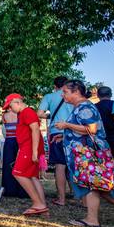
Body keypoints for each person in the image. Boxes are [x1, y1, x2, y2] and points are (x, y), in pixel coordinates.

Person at [56, 80, 114, 227]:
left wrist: (66, 125)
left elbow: (92, 128)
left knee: (91, 184)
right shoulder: (82, 106)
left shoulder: (84, 106)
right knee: (96, 184)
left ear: (76, 91)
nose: (62, 95)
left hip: (88, 154)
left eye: (65, 92)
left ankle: (92, 219)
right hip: (86, 153)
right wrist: (65, 134)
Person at [4, 94, 47, 216]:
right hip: (26, 147)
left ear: (16, 102)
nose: (10, 109)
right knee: (33, 177)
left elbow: (35, 130)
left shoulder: (27, 111)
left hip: (30, 148)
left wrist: (34, 152)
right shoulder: (22, 114)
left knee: (17, 173)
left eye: (10, 106)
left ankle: (37, 203)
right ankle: (42, 205)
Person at [38, 76, 73, 207]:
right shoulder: (74, 95)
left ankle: (61, 198)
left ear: (55, 86)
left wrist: (50, 115)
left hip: (57, 132)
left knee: (60, 166)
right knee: (75, 164)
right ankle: (80, 197)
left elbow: (39, 113)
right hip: (74, 132)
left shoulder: (49, 96)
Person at [96, 86, 114, 188]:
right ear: (111, 94)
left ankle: (107, 187)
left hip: (101, 140)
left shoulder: (94, 107)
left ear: (98, 95)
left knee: (104, 165)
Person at [1, 109, 28, 198]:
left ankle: (9, 190)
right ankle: (22, 191)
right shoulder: (21, 114)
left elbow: (4, 131)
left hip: (9, 141)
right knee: (21, 166)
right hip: (20, 141)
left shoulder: (4, 115)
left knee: (8, 165)